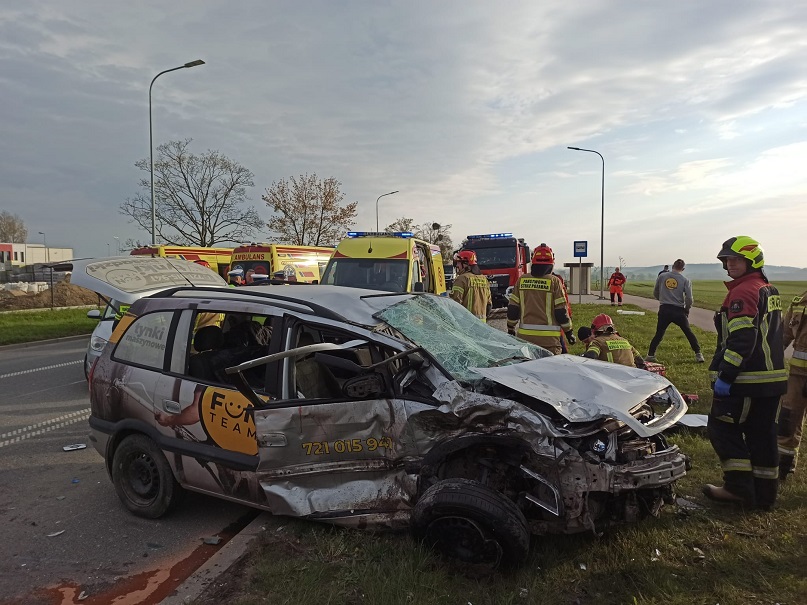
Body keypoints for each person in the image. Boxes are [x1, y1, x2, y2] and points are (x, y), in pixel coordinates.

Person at [704, 236, 787, 511]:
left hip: (746, 381)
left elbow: (742, 340)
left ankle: (737, 489)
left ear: (752, 261)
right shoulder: (768, 289)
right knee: (762, 436)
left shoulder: (743, 292)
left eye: (736, 259)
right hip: (772, 381)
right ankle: (764, 497)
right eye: (727, 260)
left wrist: (726, 376)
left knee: (722, 429)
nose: (730, 264)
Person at [507, 243, 574, 354]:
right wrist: (569, 332)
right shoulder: (554, 281)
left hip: (526, 340)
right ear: (551, 263)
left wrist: (511, 328)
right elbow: (561, 312)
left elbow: (513, 309)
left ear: (533, 262)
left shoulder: (521, 280)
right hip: (549, 342)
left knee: (528, 365)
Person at [645, 259, 704, 363]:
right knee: (688, 332)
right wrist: (687, 309)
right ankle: (698, 354)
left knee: (659, 333)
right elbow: (689, 298)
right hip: (678, 310)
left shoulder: (662, 276)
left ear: (673, 266)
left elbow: (655, 292)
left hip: (664, 309)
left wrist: (662, 300)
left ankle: (650, 355)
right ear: (683, 269)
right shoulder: (685, 280)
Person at [777, 288, 807, 480]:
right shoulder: (800, 300)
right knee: (788, 420)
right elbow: (783, 335)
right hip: (797, 376)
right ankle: (784, 468)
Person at [582, 313, 646, 369]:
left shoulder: (597, 342)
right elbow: (641, 362)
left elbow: (589, 358)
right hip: (632, 375)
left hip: (611, 376)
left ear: (594, 330)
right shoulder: (624, 341)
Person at [450, 250, 492, 321]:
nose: (457, 265)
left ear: (466, 264)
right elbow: (489, 305)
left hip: (466, 324)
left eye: (459, 263)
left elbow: (455, 304)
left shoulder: (461, 279)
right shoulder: (484, 279)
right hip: (482, 324)